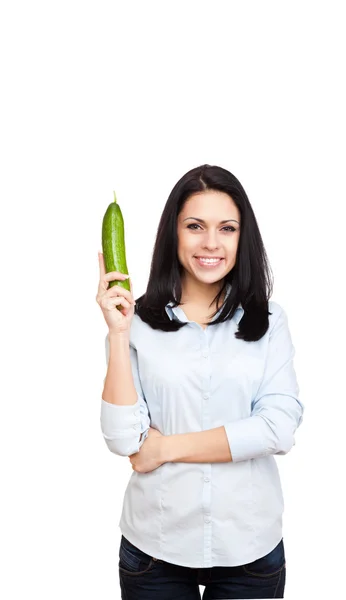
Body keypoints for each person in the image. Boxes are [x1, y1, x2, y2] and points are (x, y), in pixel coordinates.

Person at [96, 164, 304, 599]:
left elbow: (278, 428)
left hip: (249, 548)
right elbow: (122, 438)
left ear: (241, 238)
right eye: (195, 226)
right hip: (155, 547)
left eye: (226, 228)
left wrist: (165, 447)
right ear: (173, 234)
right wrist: (118, 334)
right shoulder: (134, 323)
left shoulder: (270, 321)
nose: (211, 243)